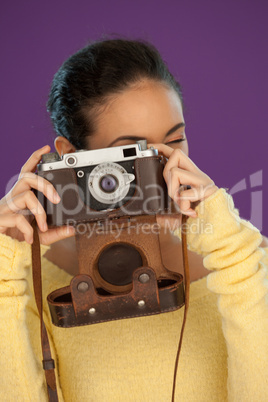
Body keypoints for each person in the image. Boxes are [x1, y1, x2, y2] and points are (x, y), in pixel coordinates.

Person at [0, 39, 267, 401]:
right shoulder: (27, 279)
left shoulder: (247, 261)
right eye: (132, 152)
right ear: (69, 156)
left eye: (175, 139)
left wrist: (233, 256)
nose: (162, 163)